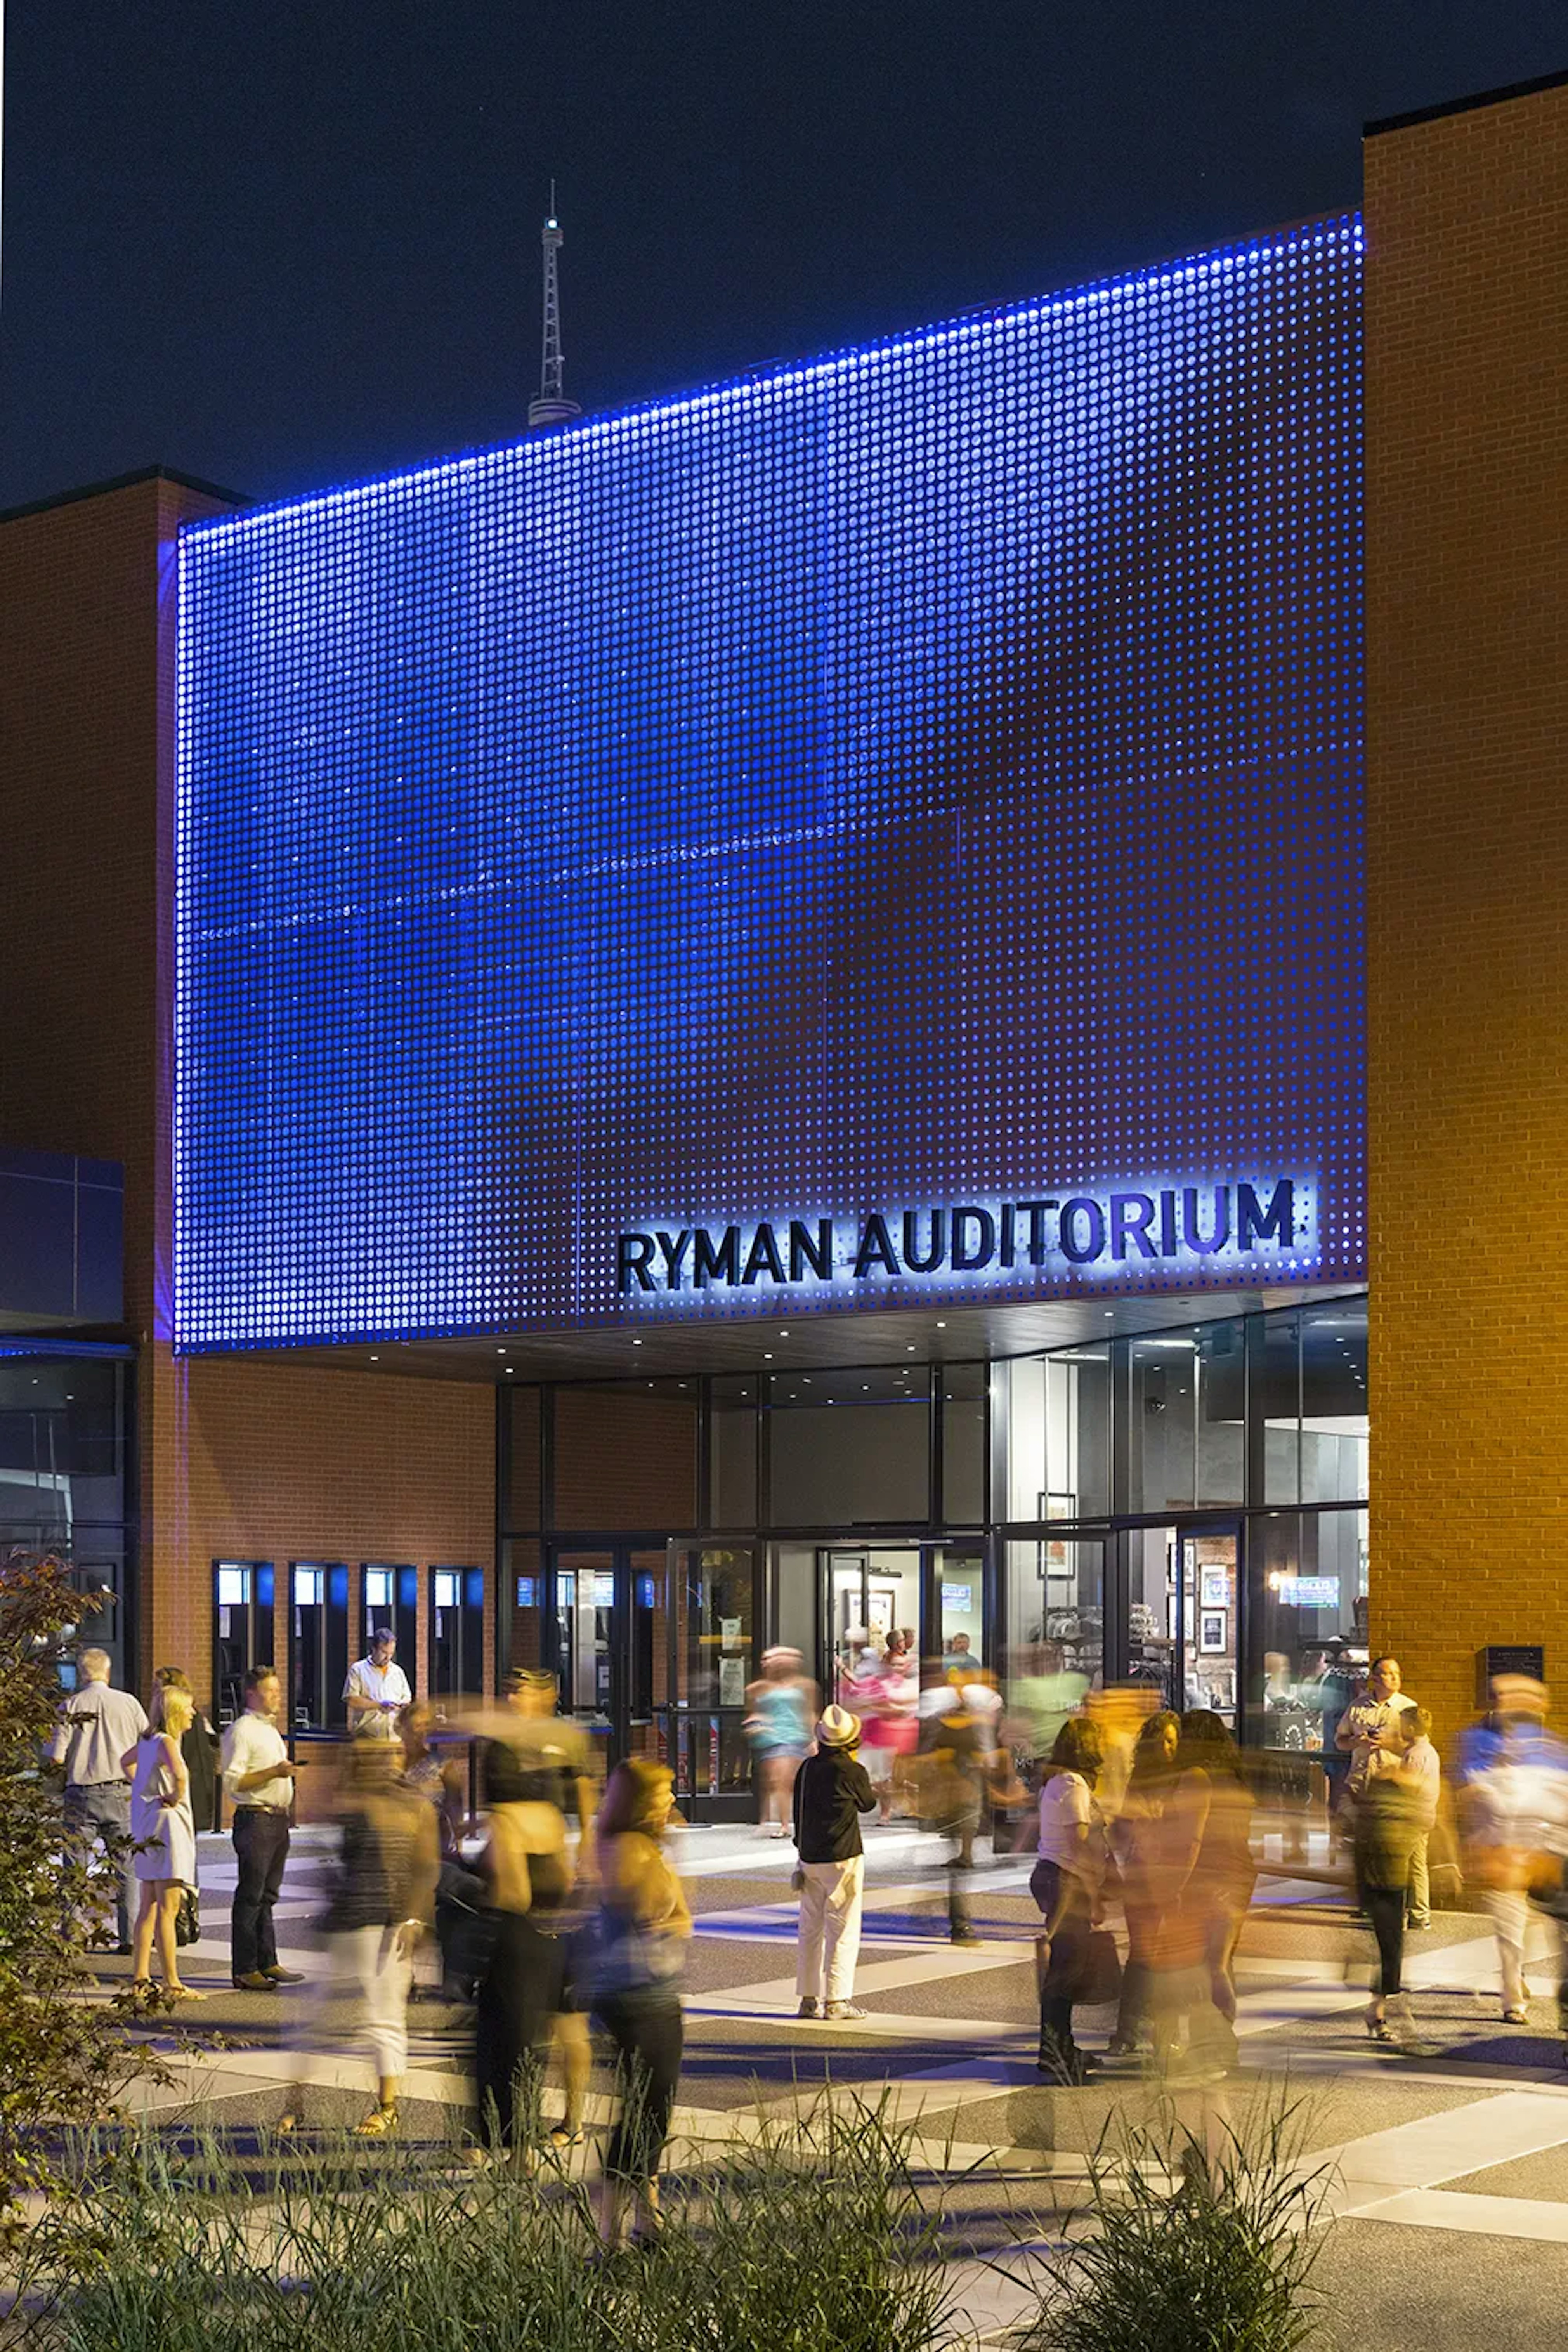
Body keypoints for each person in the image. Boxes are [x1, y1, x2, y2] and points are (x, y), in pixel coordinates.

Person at [278, 1741, 438, 2137]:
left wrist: (417, 1918)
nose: (381, 1762)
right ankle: (295, 2104)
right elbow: (332, 1863)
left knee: (384, 2019)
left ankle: (387, 2106)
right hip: (346, 1923)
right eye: (370, 1755)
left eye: (390, 1755)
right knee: (315, 2022)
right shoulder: (352, 1798)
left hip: (389, 1925)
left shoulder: (416, 1806)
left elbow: (427, 1867)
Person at [589, 1759, 692, 2250]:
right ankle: (608, 2232)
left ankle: (647, 2218)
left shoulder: (645, 1847)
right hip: (634, 1994)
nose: (671, 1800)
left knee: (654, 2109)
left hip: (656, 1988)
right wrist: (665, 1859)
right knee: (639, 2113)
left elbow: (682, 1919)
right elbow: (652, 1910)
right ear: (640, 1801)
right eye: (663, 1793)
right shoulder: (626, 1848)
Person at [473, 1737, 590, 2158]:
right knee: (569, 2029)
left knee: (516, 2045)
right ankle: (573, 2120)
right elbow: (563, 1878)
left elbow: (514, 1893)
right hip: (560, 1934)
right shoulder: (549, 1815)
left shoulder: (505, 1819)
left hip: (520, 1944)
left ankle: (518, 2149)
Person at [1455, 1677, 1568, 2026]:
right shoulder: (1476, 1741)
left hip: (1546, 1860)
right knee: (1511, 1934)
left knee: (1541, 1934)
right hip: (1502, 1855)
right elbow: (1472, 1792)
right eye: (1505, 1697)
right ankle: (1513, 2001)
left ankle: (1518, 1978)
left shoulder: (1550, 1749)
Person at [47, 1647, 146, 1951]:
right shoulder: (129, 1703)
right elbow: (148, 1741)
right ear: (107, 1670)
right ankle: (130, 1938)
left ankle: (72, 1936)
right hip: (122, 1791)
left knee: (74, 1867)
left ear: (81, 1672)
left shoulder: (71, 1705)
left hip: (81, 1793)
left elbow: (56, 1758)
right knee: (126, 1868)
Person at [1031, 1715, 1108, 2083]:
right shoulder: (1073, 1785)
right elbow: (1081, 1845)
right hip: (1067, 1881)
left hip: (1053, 1875)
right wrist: (1094, 1895)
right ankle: (1054, 2050)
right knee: (1065, 1972)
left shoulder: (1055, 1782)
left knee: (1065, 1968)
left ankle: (1061, 2043)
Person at [1178, 1709, 1258, 2058]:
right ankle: (1217, 2036)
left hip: (1210, 1875)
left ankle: (1218, 2042)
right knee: (1222, 1961)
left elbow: (1192, 1837)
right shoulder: (1235, 1778)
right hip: (1239, 1873)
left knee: (1209, 1963)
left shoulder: (1197, 1778)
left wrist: (1179, 1882)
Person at [221, 1665, 305, 1991]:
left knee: (268, 1896)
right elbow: (234, 1781)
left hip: (277, 1818)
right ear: (252, 1694)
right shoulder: (242, 1731)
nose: (277, 1697)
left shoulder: (269, 1730)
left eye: (278, 1690)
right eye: (270, 1691)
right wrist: (274, 1772)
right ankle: (244, 1968)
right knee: (251, 1895)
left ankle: (267, 1960)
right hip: (255, 1818)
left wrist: (283, 1773)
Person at [793, 1703, 877, 2021]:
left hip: (809, 1856)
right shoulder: (852, 1771)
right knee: (842, 1928)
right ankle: (837, 2001)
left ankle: (808, 1999)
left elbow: (797, 1809)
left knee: (809, 1929)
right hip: (844, 1855)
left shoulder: (807, 1768)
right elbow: (868, 1804)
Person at [1106, 1709, 1179, 2058]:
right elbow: (1122, 1825)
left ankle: (1167, 2033)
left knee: (1171, 1956)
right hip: (1142, 1874)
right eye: (1163, 1741)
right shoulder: (1141, 1779)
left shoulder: (1186, 1779)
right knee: (1141, 1953)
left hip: (1174, 1875)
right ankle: (1127, 2030)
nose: (1168, 1748)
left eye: (1173, 1741)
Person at [123, 1686, 203, 2003]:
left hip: (146, 1825)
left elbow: (125, 1762)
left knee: (149, 1907)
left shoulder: (147, 1741)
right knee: (169, 1909)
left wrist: (143, 1787)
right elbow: (181, 1776)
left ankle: (140, 1977)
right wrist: (173, 1795)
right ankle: (173, 1982)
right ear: (176, 1712)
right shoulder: (168, 1742)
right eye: (189, 1709)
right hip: (168, 1826)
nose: (193, 1714)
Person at [1354, 1707, 1429, 2045]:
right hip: (1376, 1877)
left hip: (1396, 1877)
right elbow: (1366, 1834)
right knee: (1391, 1947)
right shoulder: (1384, 1782)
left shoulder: (1408, 1775)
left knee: (1392, 1947)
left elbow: (1419, 1822)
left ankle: (1378, 2009)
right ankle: (1384, 2012)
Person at [744, 1648, 815, 1838]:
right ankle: (771, 1820)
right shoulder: (759, 1687)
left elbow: (810, 1712)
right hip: (770, 1738)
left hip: (795, 1737)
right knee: (772, 1781)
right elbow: (753, 1711)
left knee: (784, 1781)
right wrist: (756, 1722)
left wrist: (814, 1738)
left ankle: (784, 1823)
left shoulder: (804, 1685)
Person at [153, 1666, 222, 1834]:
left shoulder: (185, 1723)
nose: (155, 1693)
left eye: (158, 1687)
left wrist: (176, 1794)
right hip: (187, 1795)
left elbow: (187, 1764)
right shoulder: (191, 1720)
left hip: (183, 1797)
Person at [344, 1627, 413, 1739]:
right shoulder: (358, 1670)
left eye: (391, 1653)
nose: (388, 1658)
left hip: (395, 1738)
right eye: (384, 1653)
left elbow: (407, 1698)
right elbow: (352, 1700)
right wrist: (379, 1705)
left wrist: (404, 1705)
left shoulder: (398, 1672)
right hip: (368, 1738)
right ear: (374, 1649)